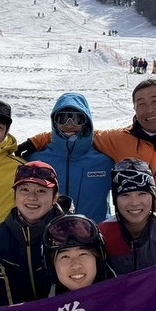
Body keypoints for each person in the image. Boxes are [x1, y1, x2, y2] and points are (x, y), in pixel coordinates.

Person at [18, 78, 156, 227]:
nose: (149, 110)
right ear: (134, 108)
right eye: (141, 104)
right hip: (131, 237)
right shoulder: (120, 140)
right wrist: (37, 141)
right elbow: (78, 135)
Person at [0, 161, 66, 306]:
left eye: (41, 191)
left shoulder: (72, 233)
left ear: (54, 197)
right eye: (24, 190)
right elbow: (3, 297)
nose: (32, 197)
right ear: (15, 195)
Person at [31, 92, 113, 222]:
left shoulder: (106, 161)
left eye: (77, 119)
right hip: (49, 235)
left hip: (94, 235)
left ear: (87, 122)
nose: (69, 124)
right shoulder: (36, 160)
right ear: (54, 122)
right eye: (62, 118)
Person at [100, 159, 156, 276]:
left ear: (153, 196)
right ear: (115, 200)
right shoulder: (104, 232)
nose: (134, 203)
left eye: (142, 194)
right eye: (125, 195)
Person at [44, 214, 116, 294]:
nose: (76, 265)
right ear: (52, 266)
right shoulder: (43, 305)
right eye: (65, 256)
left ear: (98, 260)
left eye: (83, 254)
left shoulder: (125, 301)